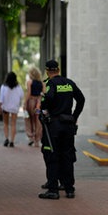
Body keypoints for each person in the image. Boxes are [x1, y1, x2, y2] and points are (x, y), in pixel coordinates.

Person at [38, 60, 85, 200]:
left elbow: (49, 99)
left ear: (47, 71)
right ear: (58, 70)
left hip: (55, 125)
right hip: (68, 124)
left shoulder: (51, 84)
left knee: (52, 155)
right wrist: (74, 116)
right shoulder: (69, 83)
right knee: (67, 156)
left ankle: (53, 189)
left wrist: (44, 105)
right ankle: (69, 188)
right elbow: (81, 99)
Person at [0, 71, 23, 147]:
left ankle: (6, 139)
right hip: (14, 107)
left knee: (5, 123)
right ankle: (12, 141)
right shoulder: (18, 87)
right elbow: (21, 96)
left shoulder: (3, 86)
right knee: (13, 124)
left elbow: (1, 99)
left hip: (5, 107)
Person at [24, 67, 44, 147]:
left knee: (29, 119)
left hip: (31, 102)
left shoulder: (29, 82)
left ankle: (31, 137)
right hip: (38, 103)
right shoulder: (42, 83)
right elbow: (43, 94)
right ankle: (37, 140)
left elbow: (28, 93)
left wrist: (25, 103)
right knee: (38, 121)